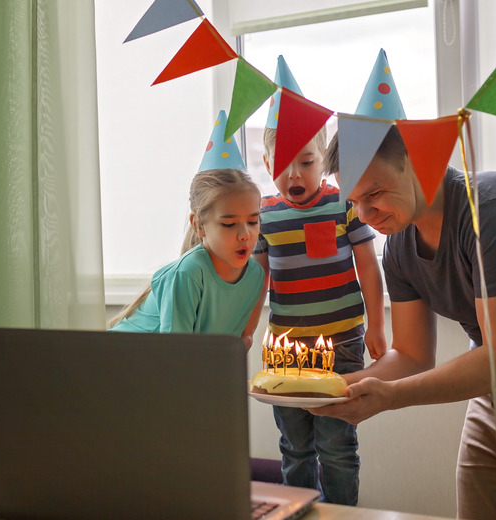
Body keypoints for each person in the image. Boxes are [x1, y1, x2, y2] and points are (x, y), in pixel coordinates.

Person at [314, 124, 496, 519]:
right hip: (495, 407)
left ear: (417, 164)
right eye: (354, 201)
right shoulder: (398, 246)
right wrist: (328, 389)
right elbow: (411, 355)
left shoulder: (495, 210)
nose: (364, 215)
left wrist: (391, 398)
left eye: (374, 194)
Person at [251, 56, 387, 506]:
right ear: (267, 160)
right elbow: (259, 278)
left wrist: (378, 326)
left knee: (337, 449)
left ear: (323, 160)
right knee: (295, 449)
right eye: (285, 163)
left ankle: (342, 514)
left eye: (307, 162)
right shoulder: (265, 216)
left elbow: (368, 266)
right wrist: (249, 330)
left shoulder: (344, 204)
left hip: (343, 345)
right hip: (284, 349)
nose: (295, 174)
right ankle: (299, 513)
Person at [109, 111, 265, 346]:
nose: (245, 234)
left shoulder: (254, 276)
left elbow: (231, 349)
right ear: (199, 225)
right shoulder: (188, 274)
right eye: (229, 224)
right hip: (118, 363)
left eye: (253, 221)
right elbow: (178, 358)